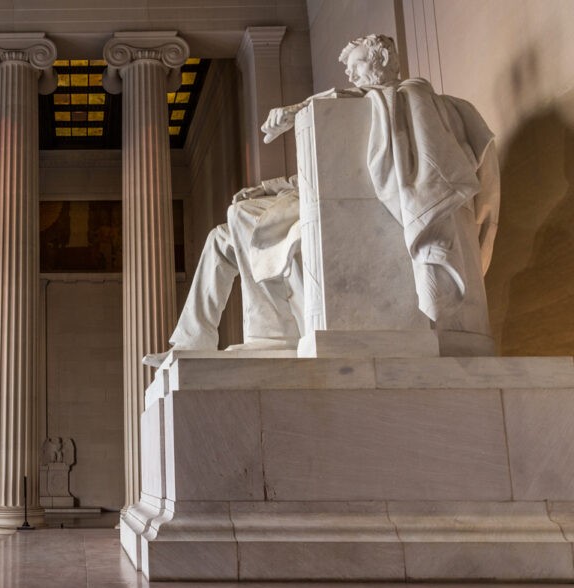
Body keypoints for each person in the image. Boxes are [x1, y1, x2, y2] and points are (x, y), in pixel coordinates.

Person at [144, 34, 498, 367]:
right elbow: (329, 171)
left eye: (356, 64)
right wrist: (268, 186)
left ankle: (271, 334)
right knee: (221, 236)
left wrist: (300, 107)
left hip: (349, 211)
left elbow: (352, 149)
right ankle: (190, 342)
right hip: (325, 201)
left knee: (239, 219)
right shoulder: (369, 110)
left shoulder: (406, 99)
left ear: (383, 59)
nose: (350, 74)